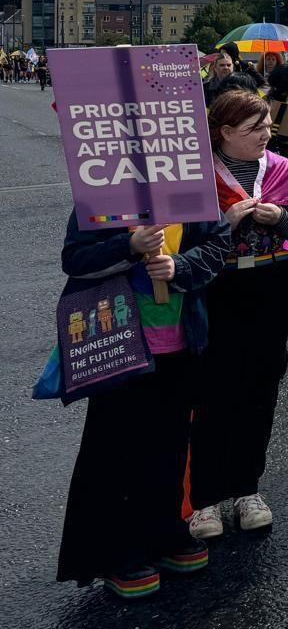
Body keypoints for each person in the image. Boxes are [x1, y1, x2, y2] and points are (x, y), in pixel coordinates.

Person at [56, 211, 230, 597]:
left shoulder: (188, 183)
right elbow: (76, 259)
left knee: (169, 443)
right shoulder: (101, 189)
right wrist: (130, 246)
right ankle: (118, 552)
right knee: (118, 449)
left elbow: (219, 244)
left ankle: (165, 534)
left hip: (181, 343)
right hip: (119, 346)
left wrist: (180, 266)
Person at [188, 90, 288, 542]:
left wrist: (280, 215)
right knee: (212, 388)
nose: (267, 134)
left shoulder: (282, 168)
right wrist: (226, 221)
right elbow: (181, 241)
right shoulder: (198, 173)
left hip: (270, 282)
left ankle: (248, 489)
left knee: (260, 384)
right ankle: (203, 498)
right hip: (217, 287)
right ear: (224, 133)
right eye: (254, 128)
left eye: (267, 126)